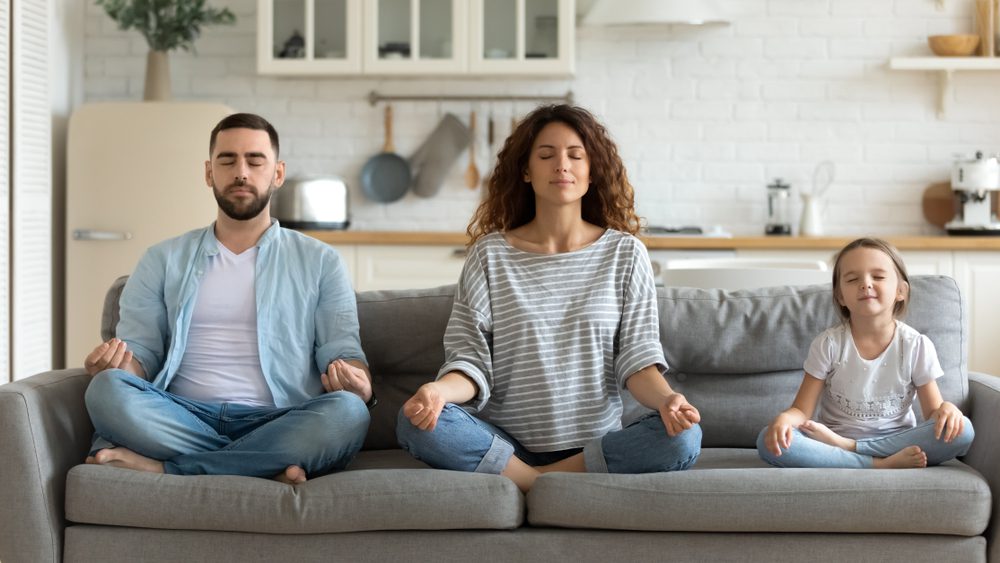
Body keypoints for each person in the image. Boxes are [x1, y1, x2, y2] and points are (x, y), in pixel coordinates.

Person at [395, 104, 702, 492]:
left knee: (684, 437)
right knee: (414, 422)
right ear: (526, 170)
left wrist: (669, 400)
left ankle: (531, 484)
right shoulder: (490, 254)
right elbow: (470, 361)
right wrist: (437, 392)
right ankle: (549, 483)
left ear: (593, 171)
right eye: (546, 155)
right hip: (505, 442)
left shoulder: (625, 253)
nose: (562, 165)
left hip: (595, 445)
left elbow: (638, 361)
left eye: (576, 155)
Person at [83, 113, 373, 484]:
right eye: (227, 160)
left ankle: (168, 469)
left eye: (255, 161)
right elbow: (142, 355)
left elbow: (342, 350)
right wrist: (117, 367)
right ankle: (262, 466)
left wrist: (359, 384)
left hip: (279, 417)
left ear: (278, 173)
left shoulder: (321, 261)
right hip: (182, 413)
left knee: (348, 412)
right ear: (208, 173)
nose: (241, 172)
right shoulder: (161, 259)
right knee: (106, 390)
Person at [757, 237, 974, 469]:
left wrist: (947, 410)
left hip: (889, 442)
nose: (865, 284)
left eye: (878, 277)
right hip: (832, 441)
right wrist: (785, 419)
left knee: (964, 431)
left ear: (901, 290)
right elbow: (801, 410)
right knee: (767, 440)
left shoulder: (916, 345)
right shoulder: (828, 344)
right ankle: (877, 464)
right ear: (840, 296)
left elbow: (933, 413)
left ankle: (852, 451)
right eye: (852, 279)